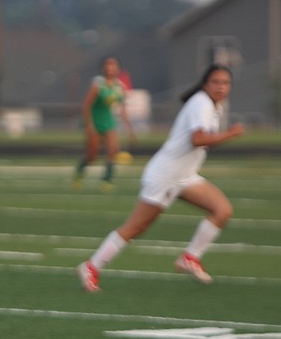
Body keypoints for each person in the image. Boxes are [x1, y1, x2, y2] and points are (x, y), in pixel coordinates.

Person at [77, 63, 244, 291]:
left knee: (222, 210)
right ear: (206, 84)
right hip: (165, 175)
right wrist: (230, 134)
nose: (221, 87)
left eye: (225, 83)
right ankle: (91, 266)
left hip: (184, 176)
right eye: (216, 82)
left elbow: (202, 142)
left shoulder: (216, 107)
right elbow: (197, 139)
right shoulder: (201, 103)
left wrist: (221, 136)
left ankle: (190, 258)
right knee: (136, 228)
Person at [74, 56, 134, 189]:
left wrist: (130, 129)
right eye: (108, 66)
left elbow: (123, 109)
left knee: (113, 150)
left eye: (114, 66)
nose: (111, 69)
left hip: (108, 122)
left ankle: (107, 180)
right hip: (95, 122)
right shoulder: (98, 85)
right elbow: (86, 106)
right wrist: (89, 126)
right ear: (103, 68)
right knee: (92, 155)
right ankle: (79, 172)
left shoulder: (119, 87)